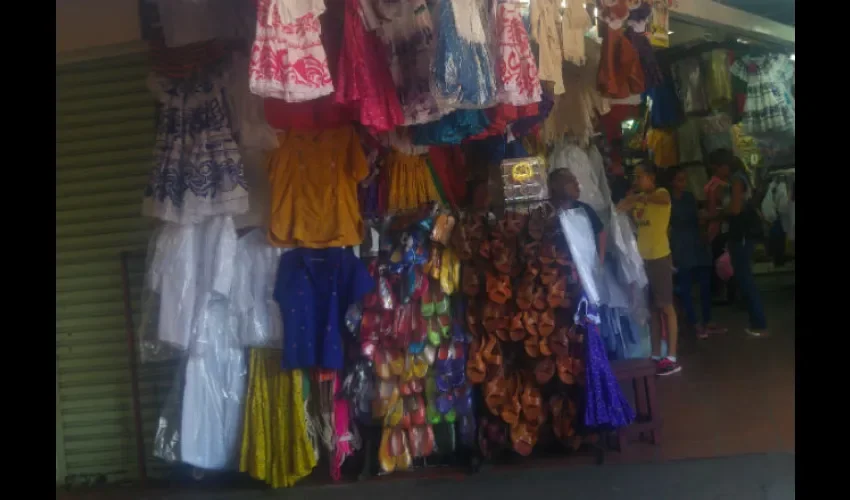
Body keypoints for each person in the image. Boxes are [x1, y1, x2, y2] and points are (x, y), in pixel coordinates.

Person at [616, 163, 680, 376]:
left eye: (640, 176)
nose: (637, 180)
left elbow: (662, 200)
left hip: (659, 257)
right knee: (652, 309)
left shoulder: (661, 194)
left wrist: (638, 198)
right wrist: (627, 202)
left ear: (651, 177)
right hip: (643, 259)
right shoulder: (639, 199)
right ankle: (655, 354)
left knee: (666, 306)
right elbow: (622, 210)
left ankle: (671, 357)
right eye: (635, 177)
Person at [668, 167, 725, 340]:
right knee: (686, 287)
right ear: (672, 182)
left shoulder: (689, 197)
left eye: (684, 179)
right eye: (679, 179)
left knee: (704, 285)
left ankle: (707, 321)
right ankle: (694, 323)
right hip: (680, 245)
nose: (683, 183)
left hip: (697, 243)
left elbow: (698, 218)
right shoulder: (668, 199)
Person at [723, 156, 769, 338]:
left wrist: (718, 213)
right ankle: (757, 322)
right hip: (744, 235)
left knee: (745, 279)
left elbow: (735, 209)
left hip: (740, 234)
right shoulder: (742, 178)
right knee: (745, 278)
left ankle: (759, 323)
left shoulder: (736, 180)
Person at [548, 168, 607, 261]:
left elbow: (600, 232)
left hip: (584, 265)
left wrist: (601, 258)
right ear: (559, 187)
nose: (577, 185)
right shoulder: (549, 212)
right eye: (571, 182)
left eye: (576, 181)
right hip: (558, 268)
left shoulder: (585, 209)